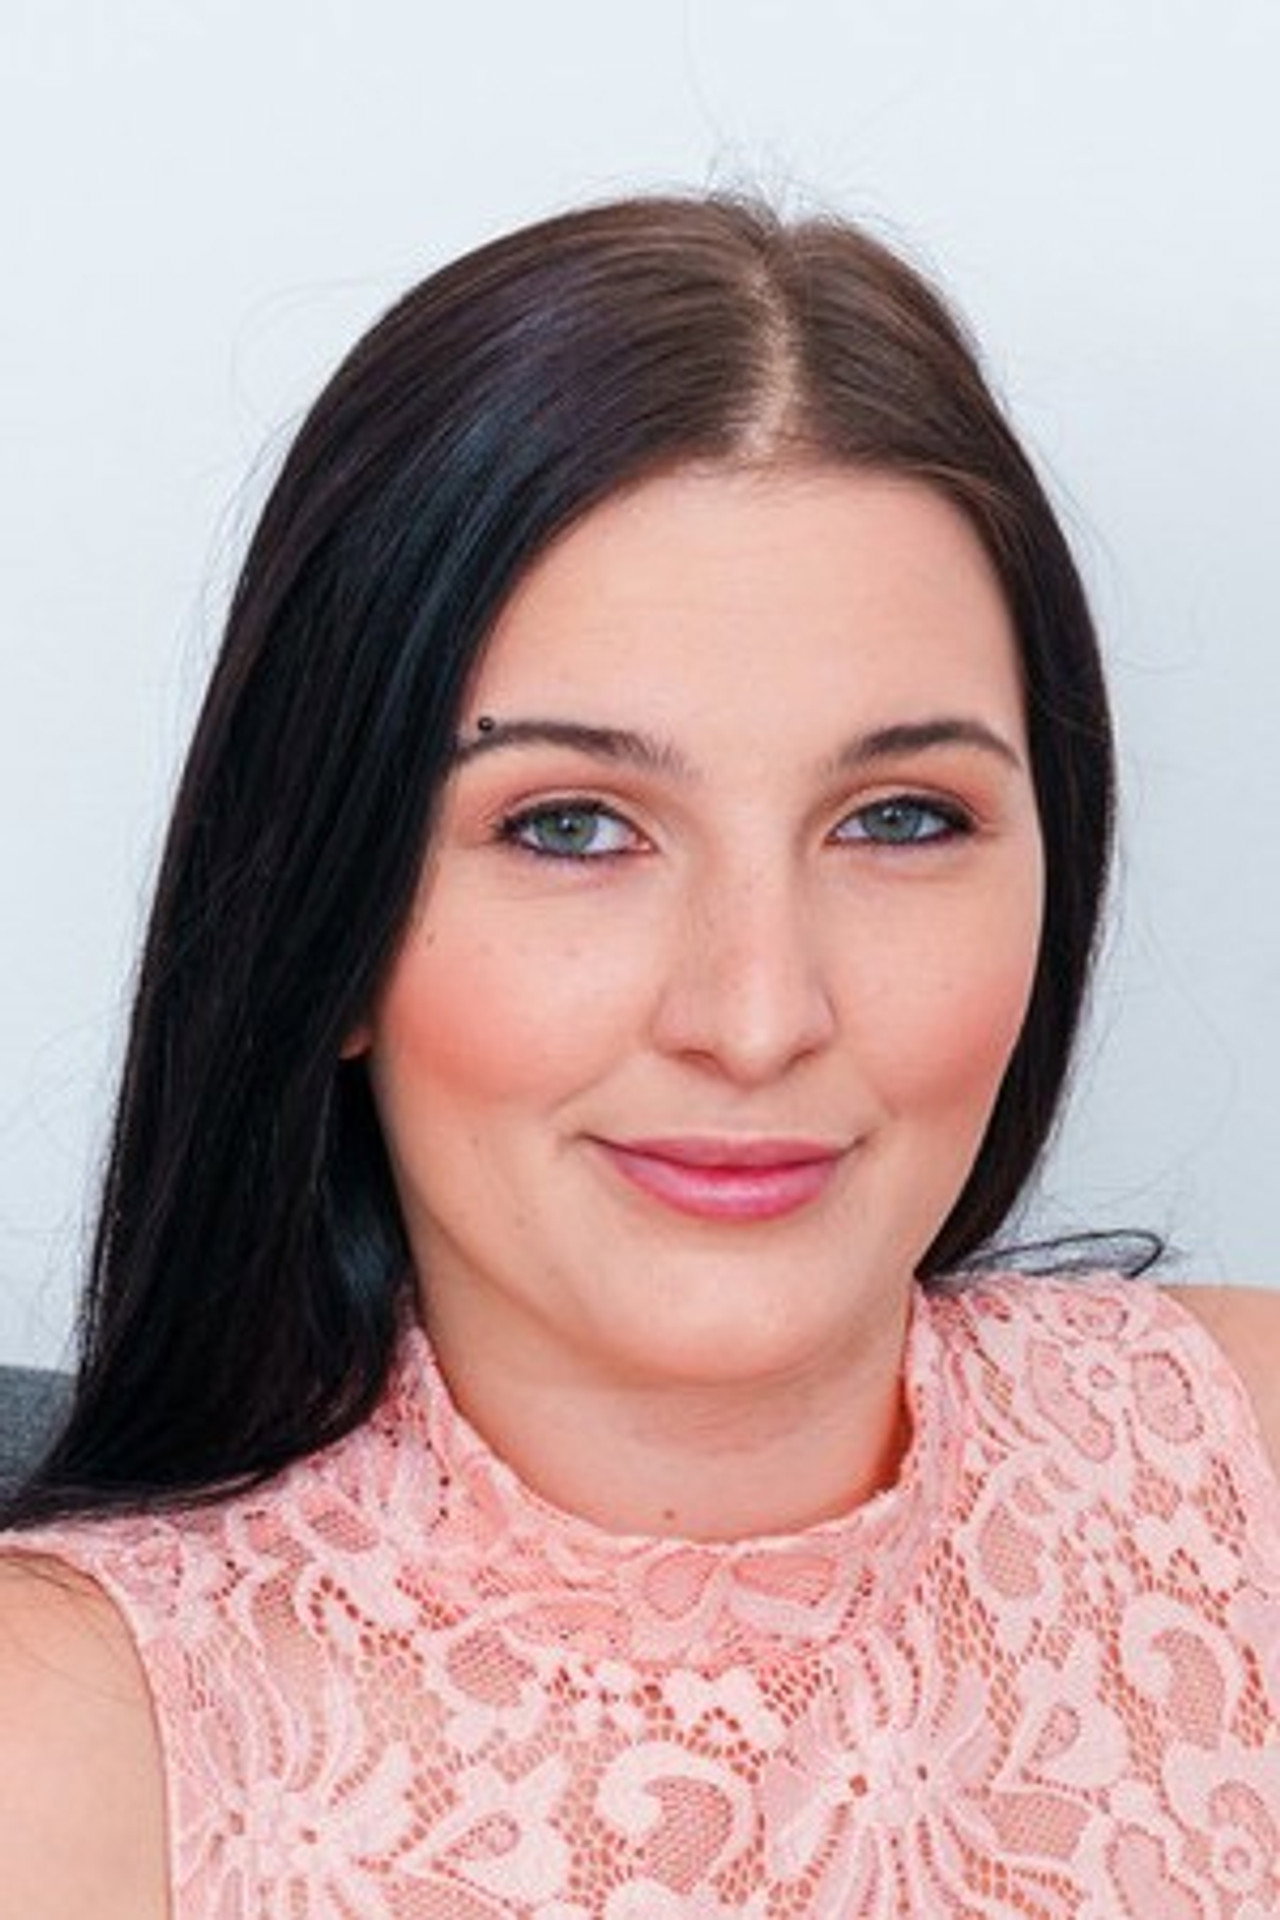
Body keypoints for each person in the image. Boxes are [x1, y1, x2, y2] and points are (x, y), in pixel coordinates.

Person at [1, 192, 1278, 1918]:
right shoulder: (71, 1761)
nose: (756, 1017)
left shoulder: (1244, 1462)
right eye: (571, 827)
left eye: (902, 818)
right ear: (329, 921)